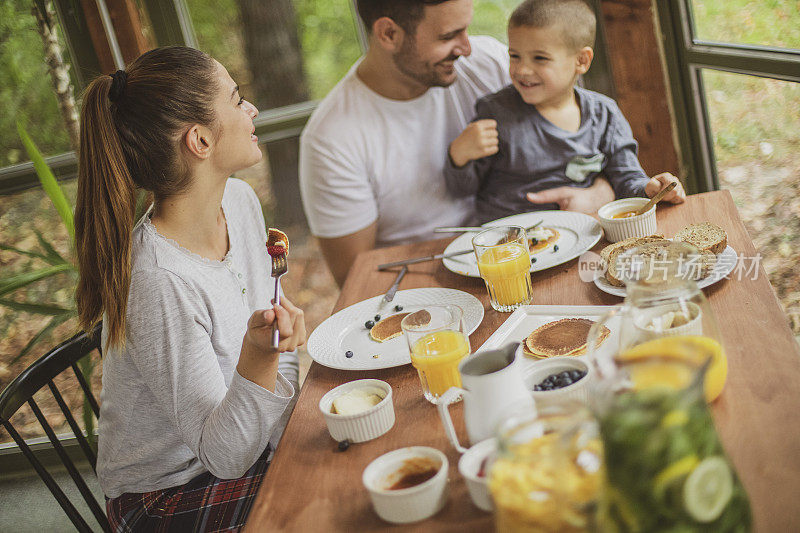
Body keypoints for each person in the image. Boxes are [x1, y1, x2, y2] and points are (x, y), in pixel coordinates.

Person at [74, 46, 306, 530]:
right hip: (164, 496)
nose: (252, 111)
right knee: (319, 499)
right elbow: (224, 456)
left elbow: (272, 343)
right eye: (237, 99)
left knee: (334, 463)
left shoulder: (239, 203)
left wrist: (296, 434)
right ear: (199, 140)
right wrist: (262, 357)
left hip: (241, 448)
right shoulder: (158, 279)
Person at [299, 0, 511, 286]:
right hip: (428, 292)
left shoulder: (493, 64)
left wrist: (594, 189)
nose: (467, 48)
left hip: (525, 255)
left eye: (466, 30)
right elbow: (358, 282)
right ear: (389, 34)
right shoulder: (332, 139)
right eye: (448, 36)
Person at [444, 0, 686, 224]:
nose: (522, 69)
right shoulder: (496, 112)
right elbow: (462, 191)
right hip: (511, 246)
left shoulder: (605, 115)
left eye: (540, 58)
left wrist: (651, 188)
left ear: (581, 60)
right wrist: (460, 156)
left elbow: (626, 180)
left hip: (585, 234)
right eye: (514, 56)